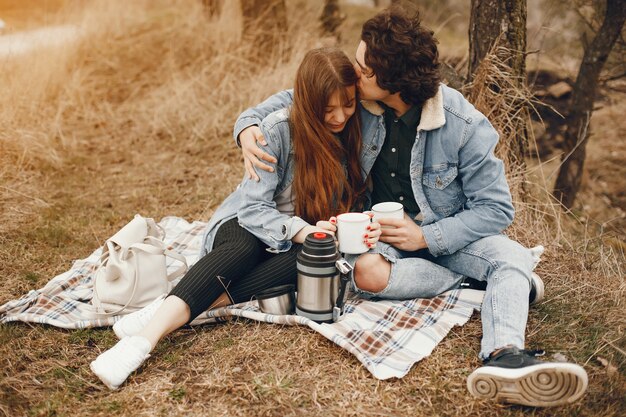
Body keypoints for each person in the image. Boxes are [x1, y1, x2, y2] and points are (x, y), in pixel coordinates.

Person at [233, 6, 588, 408]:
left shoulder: (463, 125)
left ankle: (504, 356)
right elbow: (297, 98)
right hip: (381, 238)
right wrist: (246, 127)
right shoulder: (359, 106)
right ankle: (477, 285)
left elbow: (495, 209)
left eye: (364, 68)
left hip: (450, 234)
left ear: (391, 81)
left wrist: (426, 236)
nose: (355, 70)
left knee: (510, 257)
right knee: (363, 273)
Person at [89, 47, 383, 390]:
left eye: (347, 104)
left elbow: (355, 199)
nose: (339, 116)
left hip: (292, 240)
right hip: (247, 224)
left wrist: (335, 225)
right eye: (327, 108)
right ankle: (143, 342)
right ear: (307, 101)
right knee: (245, 249)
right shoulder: (276, 130)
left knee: (320, 253)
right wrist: (300, 230)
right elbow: (254, 211)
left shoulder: (360, 130)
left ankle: (168, 306)